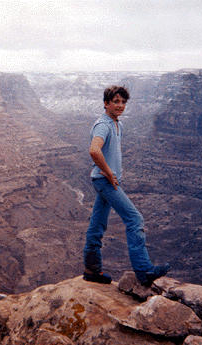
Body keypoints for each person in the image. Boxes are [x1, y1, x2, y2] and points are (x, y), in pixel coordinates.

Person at [83, 85, 170, 286]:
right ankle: (144, 271)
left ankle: (91, 270)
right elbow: (94, 150)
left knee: (97, 226)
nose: (120, 105)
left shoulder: (117, 124)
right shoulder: (103, 125)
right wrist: (107, 172)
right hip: (105, 181)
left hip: (105, 180)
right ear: (106, 103)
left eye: (123, 102)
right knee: (135, 219)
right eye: (116, 101)